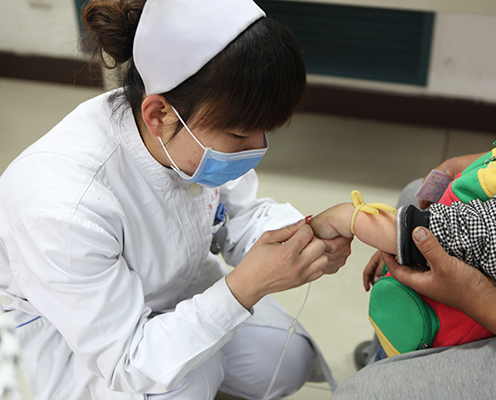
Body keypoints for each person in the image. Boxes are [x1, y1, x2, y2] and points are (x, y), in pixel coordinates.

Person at [0, 0, 352, 399]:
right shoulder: (62, 206)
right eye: (240, 134)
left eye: (264, 130)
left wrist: (310, 234)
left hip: (171, 291)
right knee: (187, 381)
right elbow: (129, 359)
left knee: (285, 358)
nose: (257, 146)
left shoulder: (190, 133)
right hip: (77, 340)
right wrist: (244, 288)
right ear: (159, 114)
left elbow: (240, 215)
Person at [310, 5, 496, 357]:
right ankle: (379, 355)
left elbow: (456, 235)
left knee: (395, 361)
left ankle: (384, 363)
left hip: (462, 323)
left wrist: (355, 219)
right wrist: (396, 245)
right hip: (450, 278)